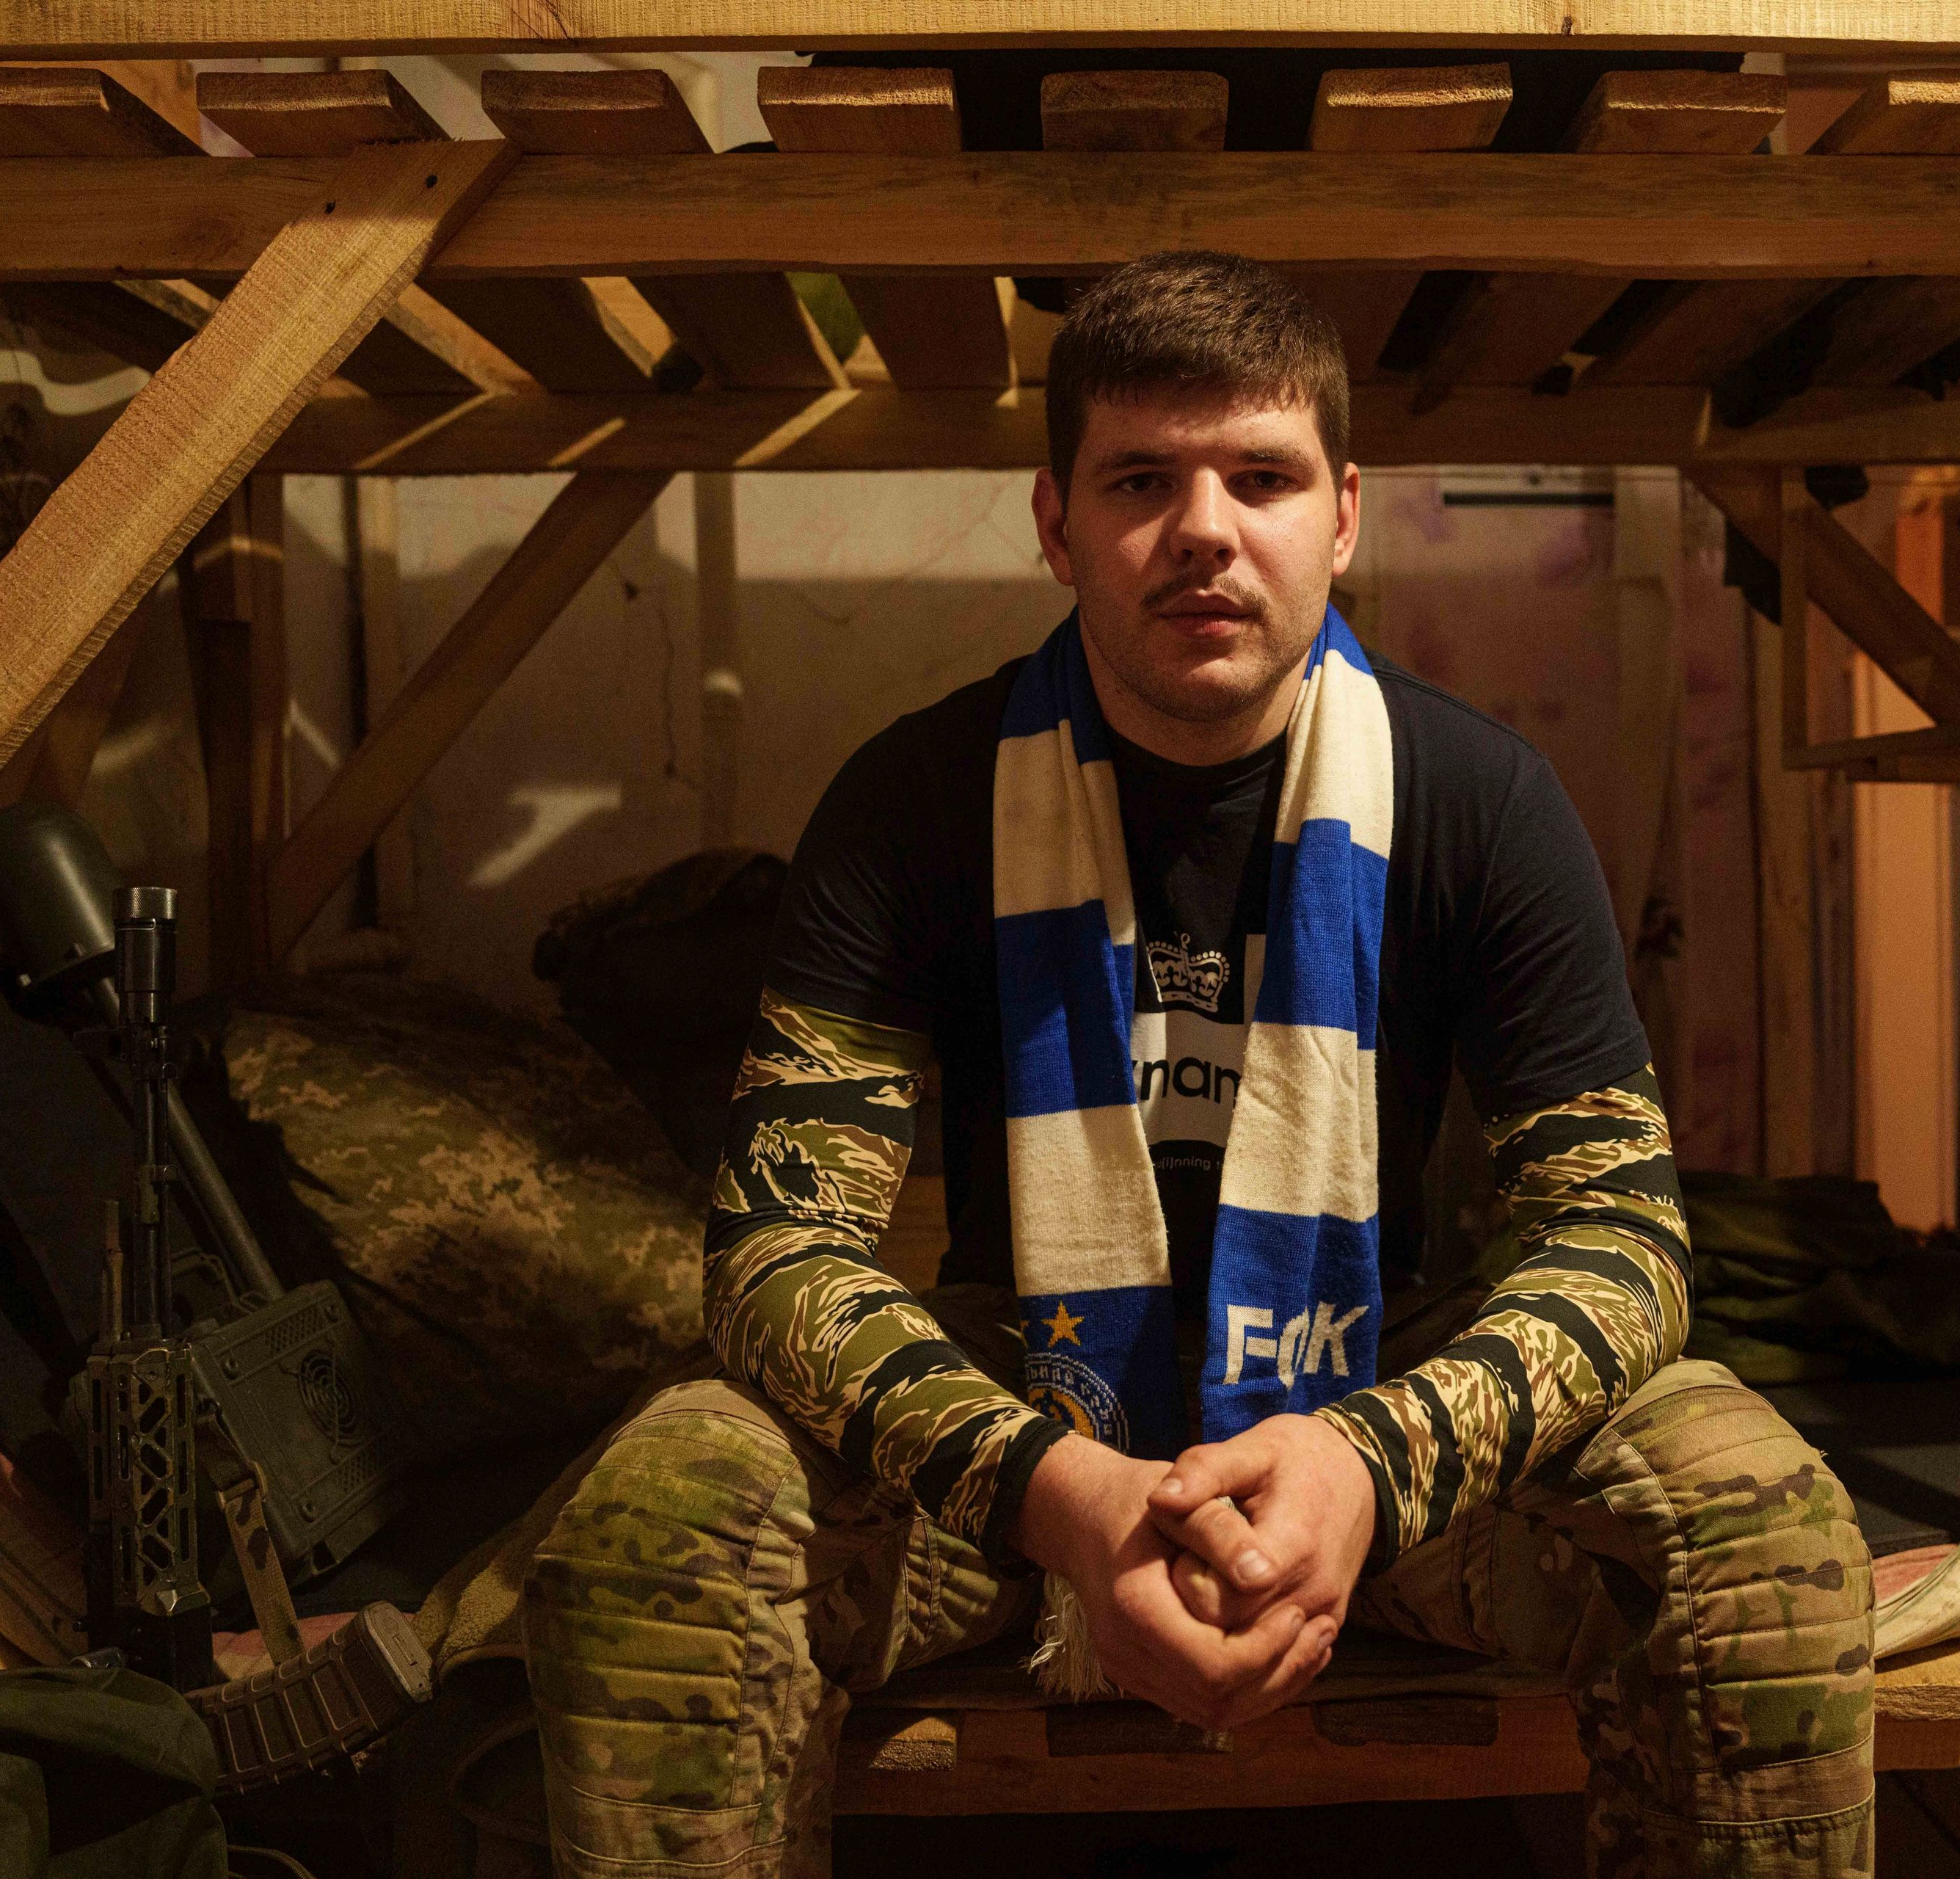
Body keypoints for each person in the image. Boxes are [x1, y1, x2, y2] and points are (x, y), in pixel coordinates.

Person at [522, 251, 1873, 1879]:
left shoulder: (1484, 802)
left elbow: (1629, 1241)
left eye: (1263, 475)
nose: (1206, 528)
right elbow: (777, 1251)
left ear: (1346, 512)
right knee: (662, 1508)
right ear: (1057, 521)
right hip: (1024, 1419)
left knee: (1756, 1518)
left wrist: (1373, 1456)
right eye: (1143, 479)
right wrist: (1057, 1488)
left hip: (1385, 1407)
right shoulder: (914, 798)